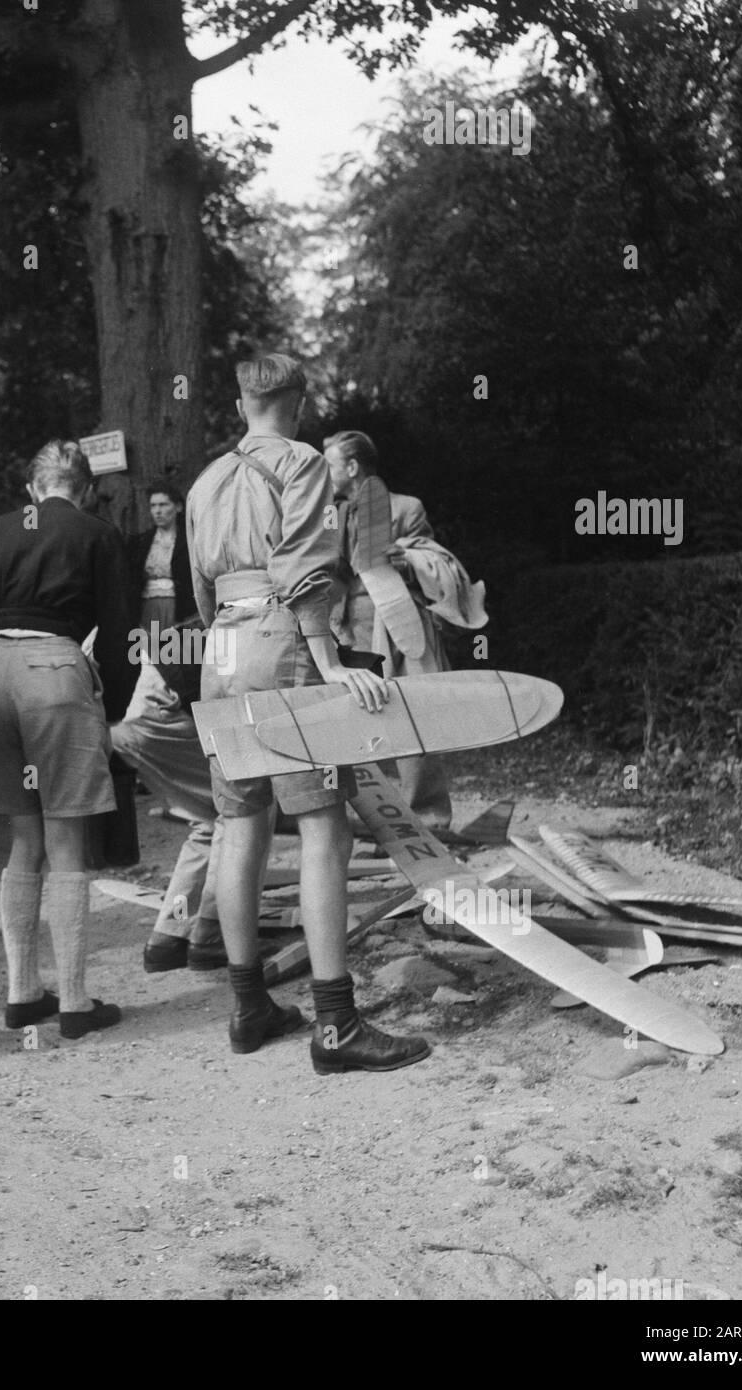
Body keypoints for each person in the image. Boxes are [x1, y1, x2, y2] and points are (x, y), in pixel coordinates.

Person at [186, 354, 431, 1076]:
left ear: (240, 406)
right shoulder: (301, 462)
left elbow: (198, 583)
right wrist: (326, 660)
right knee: (325, 827)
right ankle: (337, 1026)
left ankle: (248, 1006)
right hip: (281, 639)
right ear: (299, 401)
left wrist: (224, 638)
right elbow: (304, 566)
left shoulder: (205, 480)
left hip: (221, 646)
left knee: (239, 825)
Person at [0, 439, 134, 1040]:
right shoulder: (96, 533)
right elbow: (119, 635)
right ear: (83, 489)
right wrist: (111, 704)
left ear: (32, 488)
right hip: (55, 671)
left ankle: (22, 993)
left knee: (23, 838)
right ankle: (76, 1002)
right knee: (66, 839)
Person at [325, 430, 487, 831]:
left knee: (415, 715)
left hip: (400, 625)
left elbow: (435, 559)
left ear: (351, 466)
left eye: (328, 465)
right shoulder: (332, 512)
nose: (322, 473)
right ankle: (368, 816)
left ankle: (429, 817)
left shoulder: (405, 506)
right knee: (354, 718)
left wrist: (406, 560)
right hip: (349, 627)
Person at [110, 616, 227, 974]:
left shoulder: (225, 610)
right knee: (241, 813)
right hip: (157, 705)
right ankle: (209, 934)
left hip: (124, 716)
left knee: (210, 820)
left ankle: (168, 938)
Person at [126, 482, 195, 631]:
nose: (157, 511)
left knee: (183, 652)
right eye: (153, 506)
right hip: (147, 608)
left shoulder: (190, 541)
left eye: (163, 505)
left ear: (178, 507)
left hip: (180, 609)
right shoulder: (141, 542)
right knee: (152, 652)